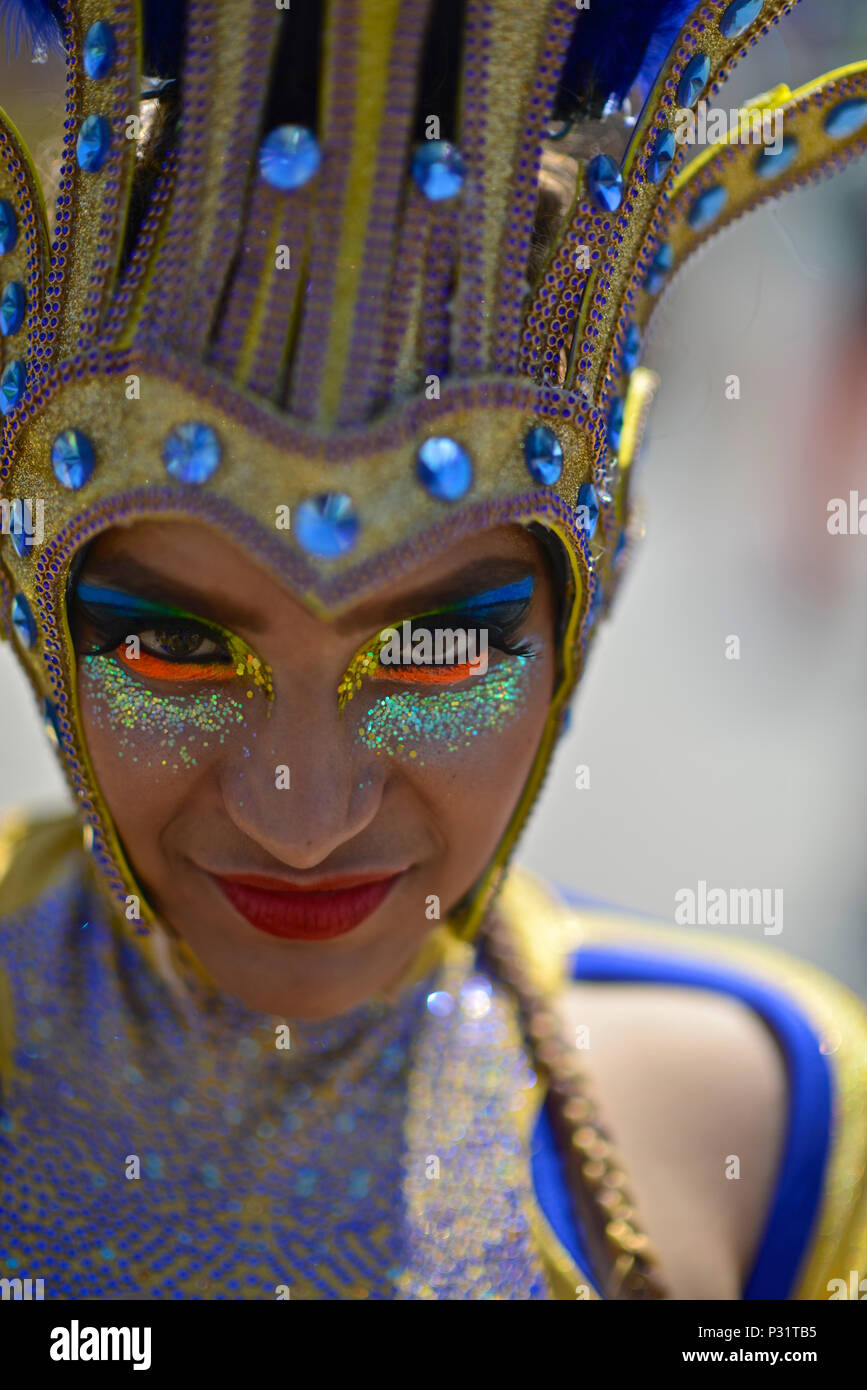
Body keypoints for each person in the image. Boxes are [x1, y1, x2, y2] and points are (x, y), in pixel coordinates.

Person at [0, 0, 865, 1301]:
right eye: (175, 646)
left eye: (438, 654)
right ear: (36, 608)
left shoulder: (759, 1121)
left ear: (578, 613)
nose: (302, 817)